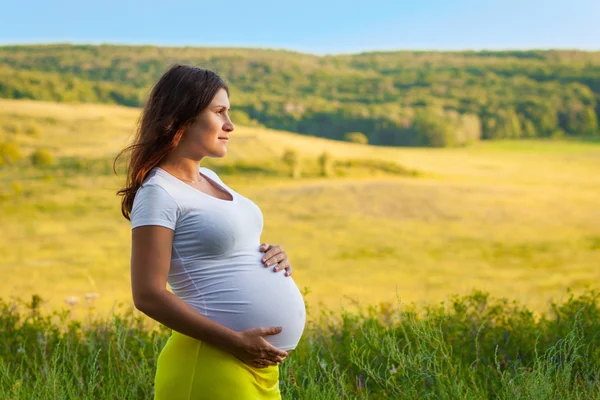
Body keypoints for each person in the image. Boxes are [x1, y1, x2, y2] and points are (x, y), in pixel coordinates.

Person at [114, 64, 306, 399]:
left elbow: (223, 249)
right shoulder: (159, 192)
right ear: (179, 119)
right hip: (211, 363)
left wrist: (270, 254)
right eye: (219, 112)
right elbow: (147, 294)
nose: (230, 126)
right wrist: (235, 342)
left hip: (256, 367)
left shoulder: (212, 179)